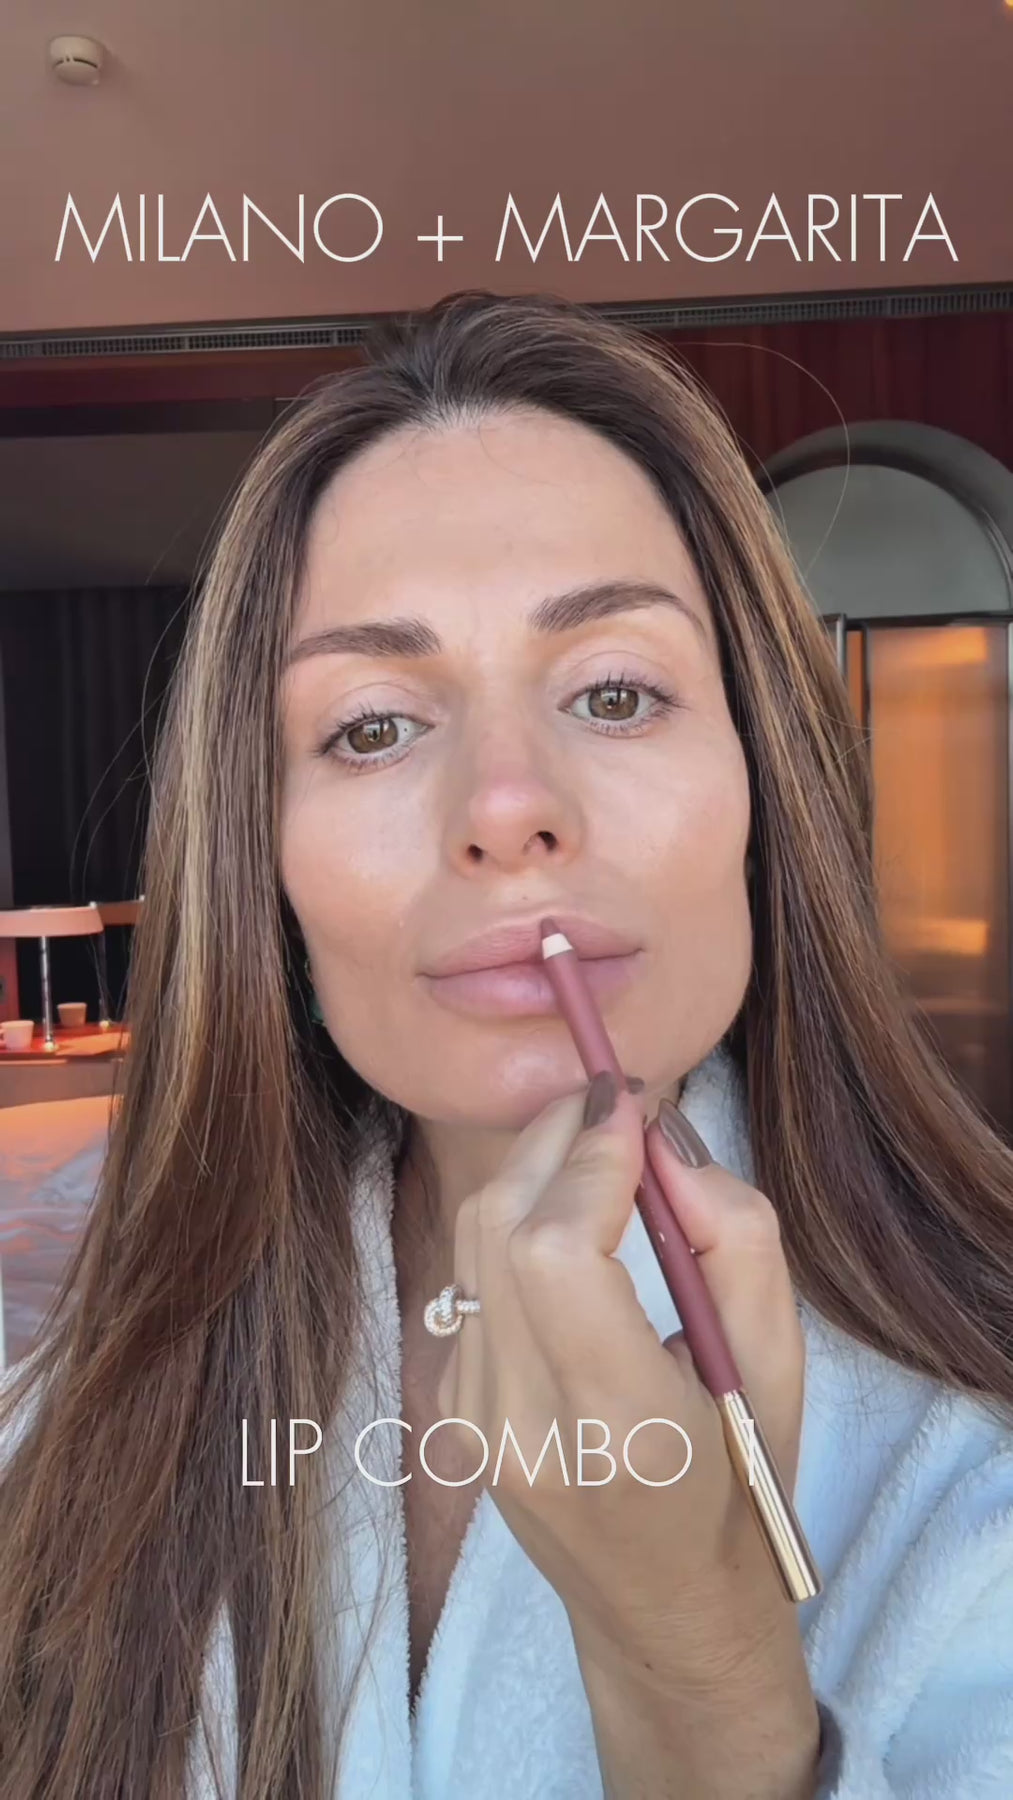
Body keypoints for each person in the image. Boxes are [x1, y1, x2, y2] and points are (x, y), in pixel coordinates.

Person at [1, 290, 1012, 1800]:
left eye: (615, 691)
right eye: (371, 725)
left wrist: (695, 1661)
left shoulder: (975, 1454)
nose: (505, 807)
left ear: (765, 789)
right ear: (263, 868)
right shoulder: (74, 1409)